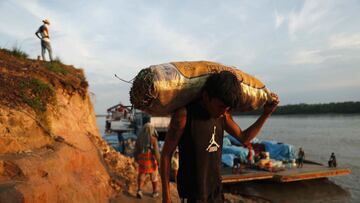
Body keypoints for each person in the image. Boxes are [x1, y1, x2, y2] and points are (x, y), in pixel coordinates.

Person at [160, 71, 279, 203]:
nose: (223, 112)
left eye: (227, 108)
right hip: (192, 196)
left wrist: (266, 114)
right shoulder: (184, 116)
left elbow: (244, 138)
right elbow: (166, 154)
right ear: (206, 97)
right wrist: (166, 195)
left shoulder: (223, 116)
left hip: (216, 192)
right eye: (221, 106)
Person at [134, 120, 161, 199]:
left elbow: (136, 150)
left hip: (142, 160)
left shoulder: (139, 138)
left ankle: (139, 190)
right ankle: (155, 191)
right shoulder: (153, 139)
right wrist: (159, 162)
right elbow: (156, 152)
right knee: (154, 176)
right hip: (151, 161)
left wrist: (136, 158)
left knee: (141, 174)